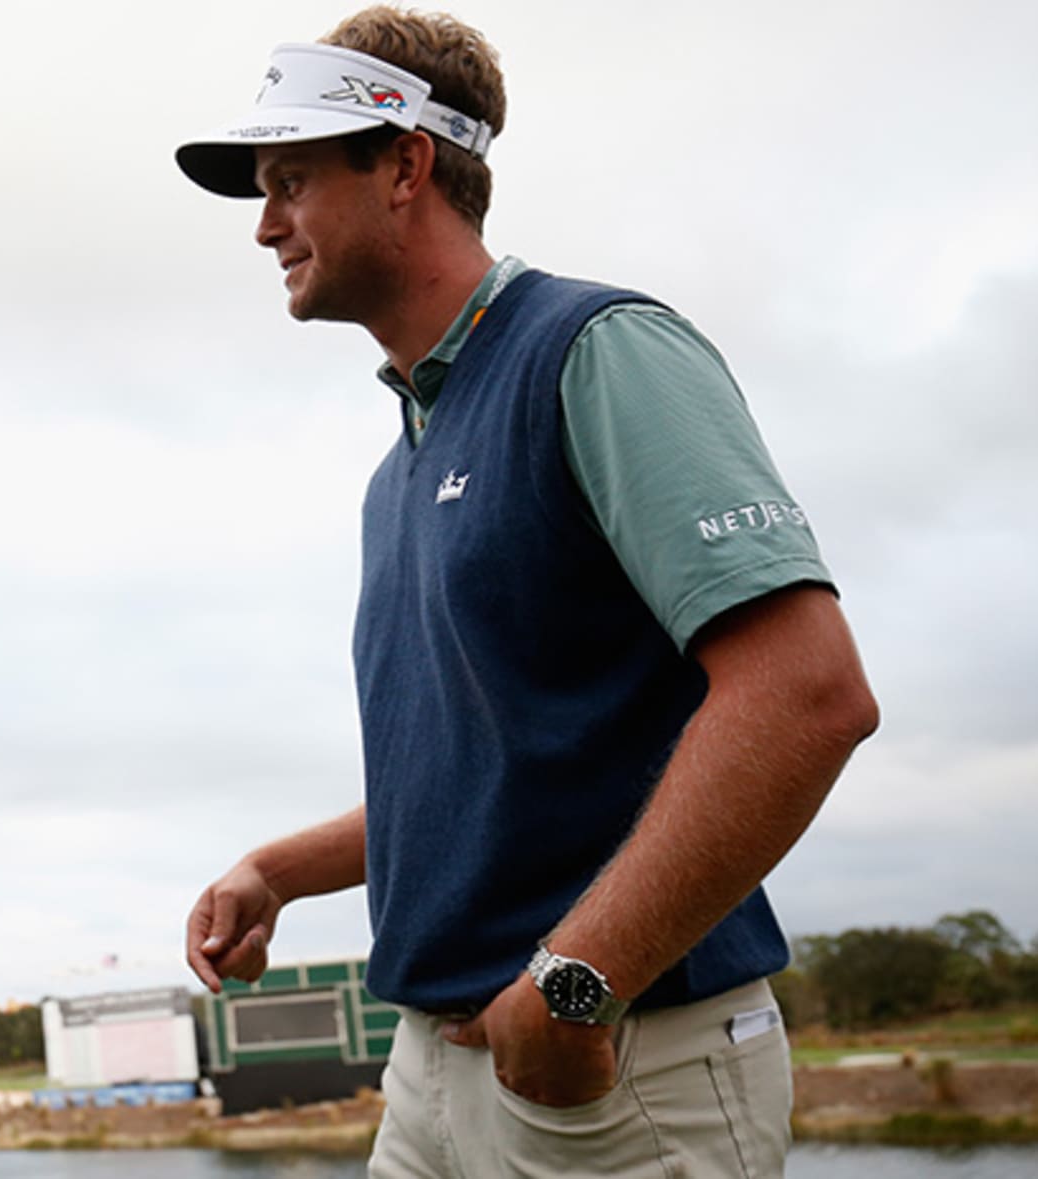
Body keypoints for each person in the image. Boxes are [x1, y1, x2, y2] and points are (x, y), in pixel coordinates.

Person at [174, 8, 877, 1175]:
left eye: (292, 181)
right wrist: (281, 870)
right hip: (433, 1074)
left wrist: (575, 983)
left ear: (405, 166)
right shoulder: (401, 462)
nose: (264, 225)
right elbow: (503, 765)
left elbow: (808, 694)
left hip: (614, 1066)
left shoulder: (598, 350)